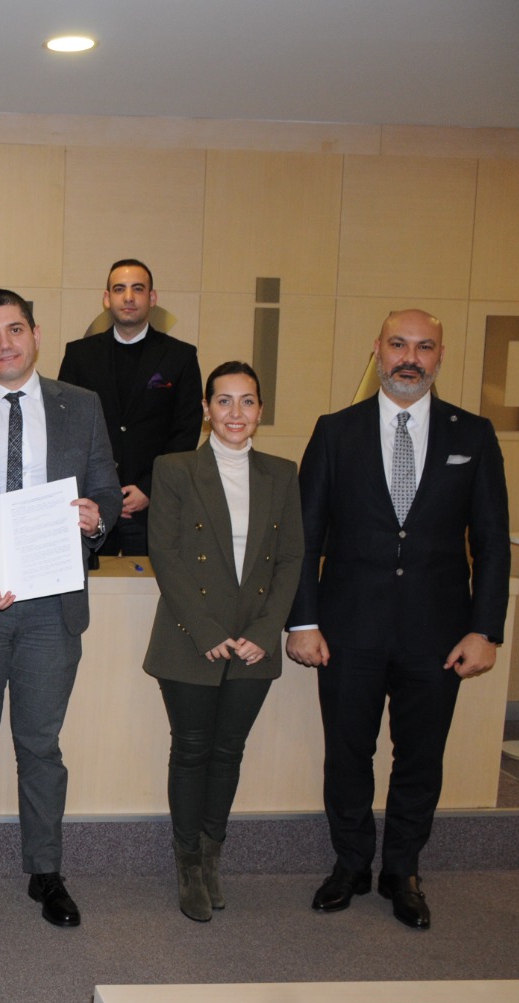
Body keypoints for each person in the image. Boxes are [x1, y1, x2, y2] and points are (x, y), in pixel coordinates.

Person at [287, 309, 510, 931]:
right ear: (378, 351)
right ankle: (351, 863)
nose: (410, 358)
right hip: (347, 628)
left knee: (420, 758)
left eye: (424, 346)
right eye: (398, 345)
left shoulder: (474, 434)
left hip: (438, 634)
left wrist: (485, 629)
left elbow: (492, 541)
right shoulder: (335, 431)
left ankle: (403, 870)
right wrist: (302, 621)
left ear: (440, 356)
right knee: (347, 754)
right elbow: (305, 538)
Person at [0, 290, 121, 928]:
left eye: (14, 329)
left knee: (40, 746)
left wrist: (96, 519)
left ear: (35, 334)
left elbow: (107, 489)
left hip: (50, 608)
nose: (4, 343)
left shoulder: (81, 406)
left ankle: (46, 873)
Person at [142, 361, 303, 922]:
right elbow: (164, 553)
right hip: (191, 637)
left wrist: (266, 632)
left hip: (254, 640)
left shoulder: (282, 474)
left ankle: (212, 857)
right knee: (191, 751)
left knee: (228, 753)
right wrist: (207, 631)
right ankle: (188, 863)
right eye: (225, 401)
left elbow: (291, 559)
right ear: (207, 410)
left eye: (248, 401)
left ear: (260, 410)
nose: (237, 412)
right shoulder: (175, 468)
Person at [57, 259, 202, 556]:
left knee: (149, 584)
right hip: (92, 506)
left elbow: (186, 431)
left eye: (138, 289)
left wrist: (150, 488)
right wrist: (98, 491)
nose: (128, 297)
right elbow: (65, 428)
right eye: (119, 289)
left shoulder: (180, 356)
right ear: (106, 298)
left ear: (152, 298)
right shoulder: (79, 355)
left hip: (153, 507)